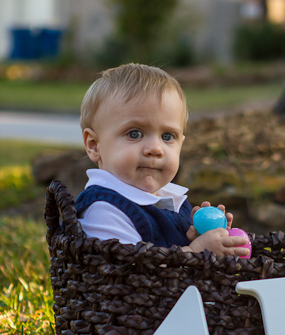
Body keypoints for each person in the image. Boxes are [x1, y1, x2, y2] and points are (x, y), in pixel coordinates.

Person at [75, 63, 250, 257]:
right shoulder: (104, 211)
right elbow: (130, 273)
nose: (155, 149)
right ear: (94, 145)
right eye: (135, 133)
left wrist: (202, 237)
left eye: (167, 137)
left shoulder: (170, 201)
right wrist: (196, 252)